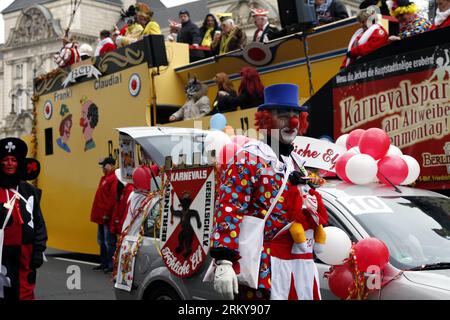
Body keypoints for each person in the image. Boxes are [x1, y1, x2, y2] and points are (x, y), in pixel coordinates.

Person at [209, 84, 327, 300]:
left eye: (296, 116)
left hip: (300, 265)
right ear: (265, 120)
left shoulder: (297, 162)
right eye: (283, 115)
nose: (292, 122)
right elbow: (229, 207)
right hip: (263, 267)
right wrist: (224, 260)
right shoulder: (248, 158)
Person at [0, 137, 47, 300]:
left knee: (25, 292)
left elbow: (39, 222)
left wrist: (39, 250)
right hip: (2, 253)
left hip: (26, 252)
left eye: (13, 160)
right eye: (5, 160)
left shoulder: (29, 190)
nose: (10, 163)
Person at [90, 156, 118, 273]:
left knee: (108, 242)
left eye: (104, 165)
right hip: (101, 215)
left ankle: (111, 265)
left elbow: (112, 198)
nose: (102, 168)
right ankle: (104, 263)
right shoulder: (105, 178)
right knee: (101, 241)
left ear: (109, 165)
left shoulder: (113, 179)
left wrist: (107, 214)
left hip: (107, 216)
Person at [110, 169, 134, 236]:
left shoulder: (129, 190)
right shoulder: (123, 190)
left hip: (123, 229)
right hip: (120, 227)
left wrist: (120, 228)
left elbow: (126, 213)